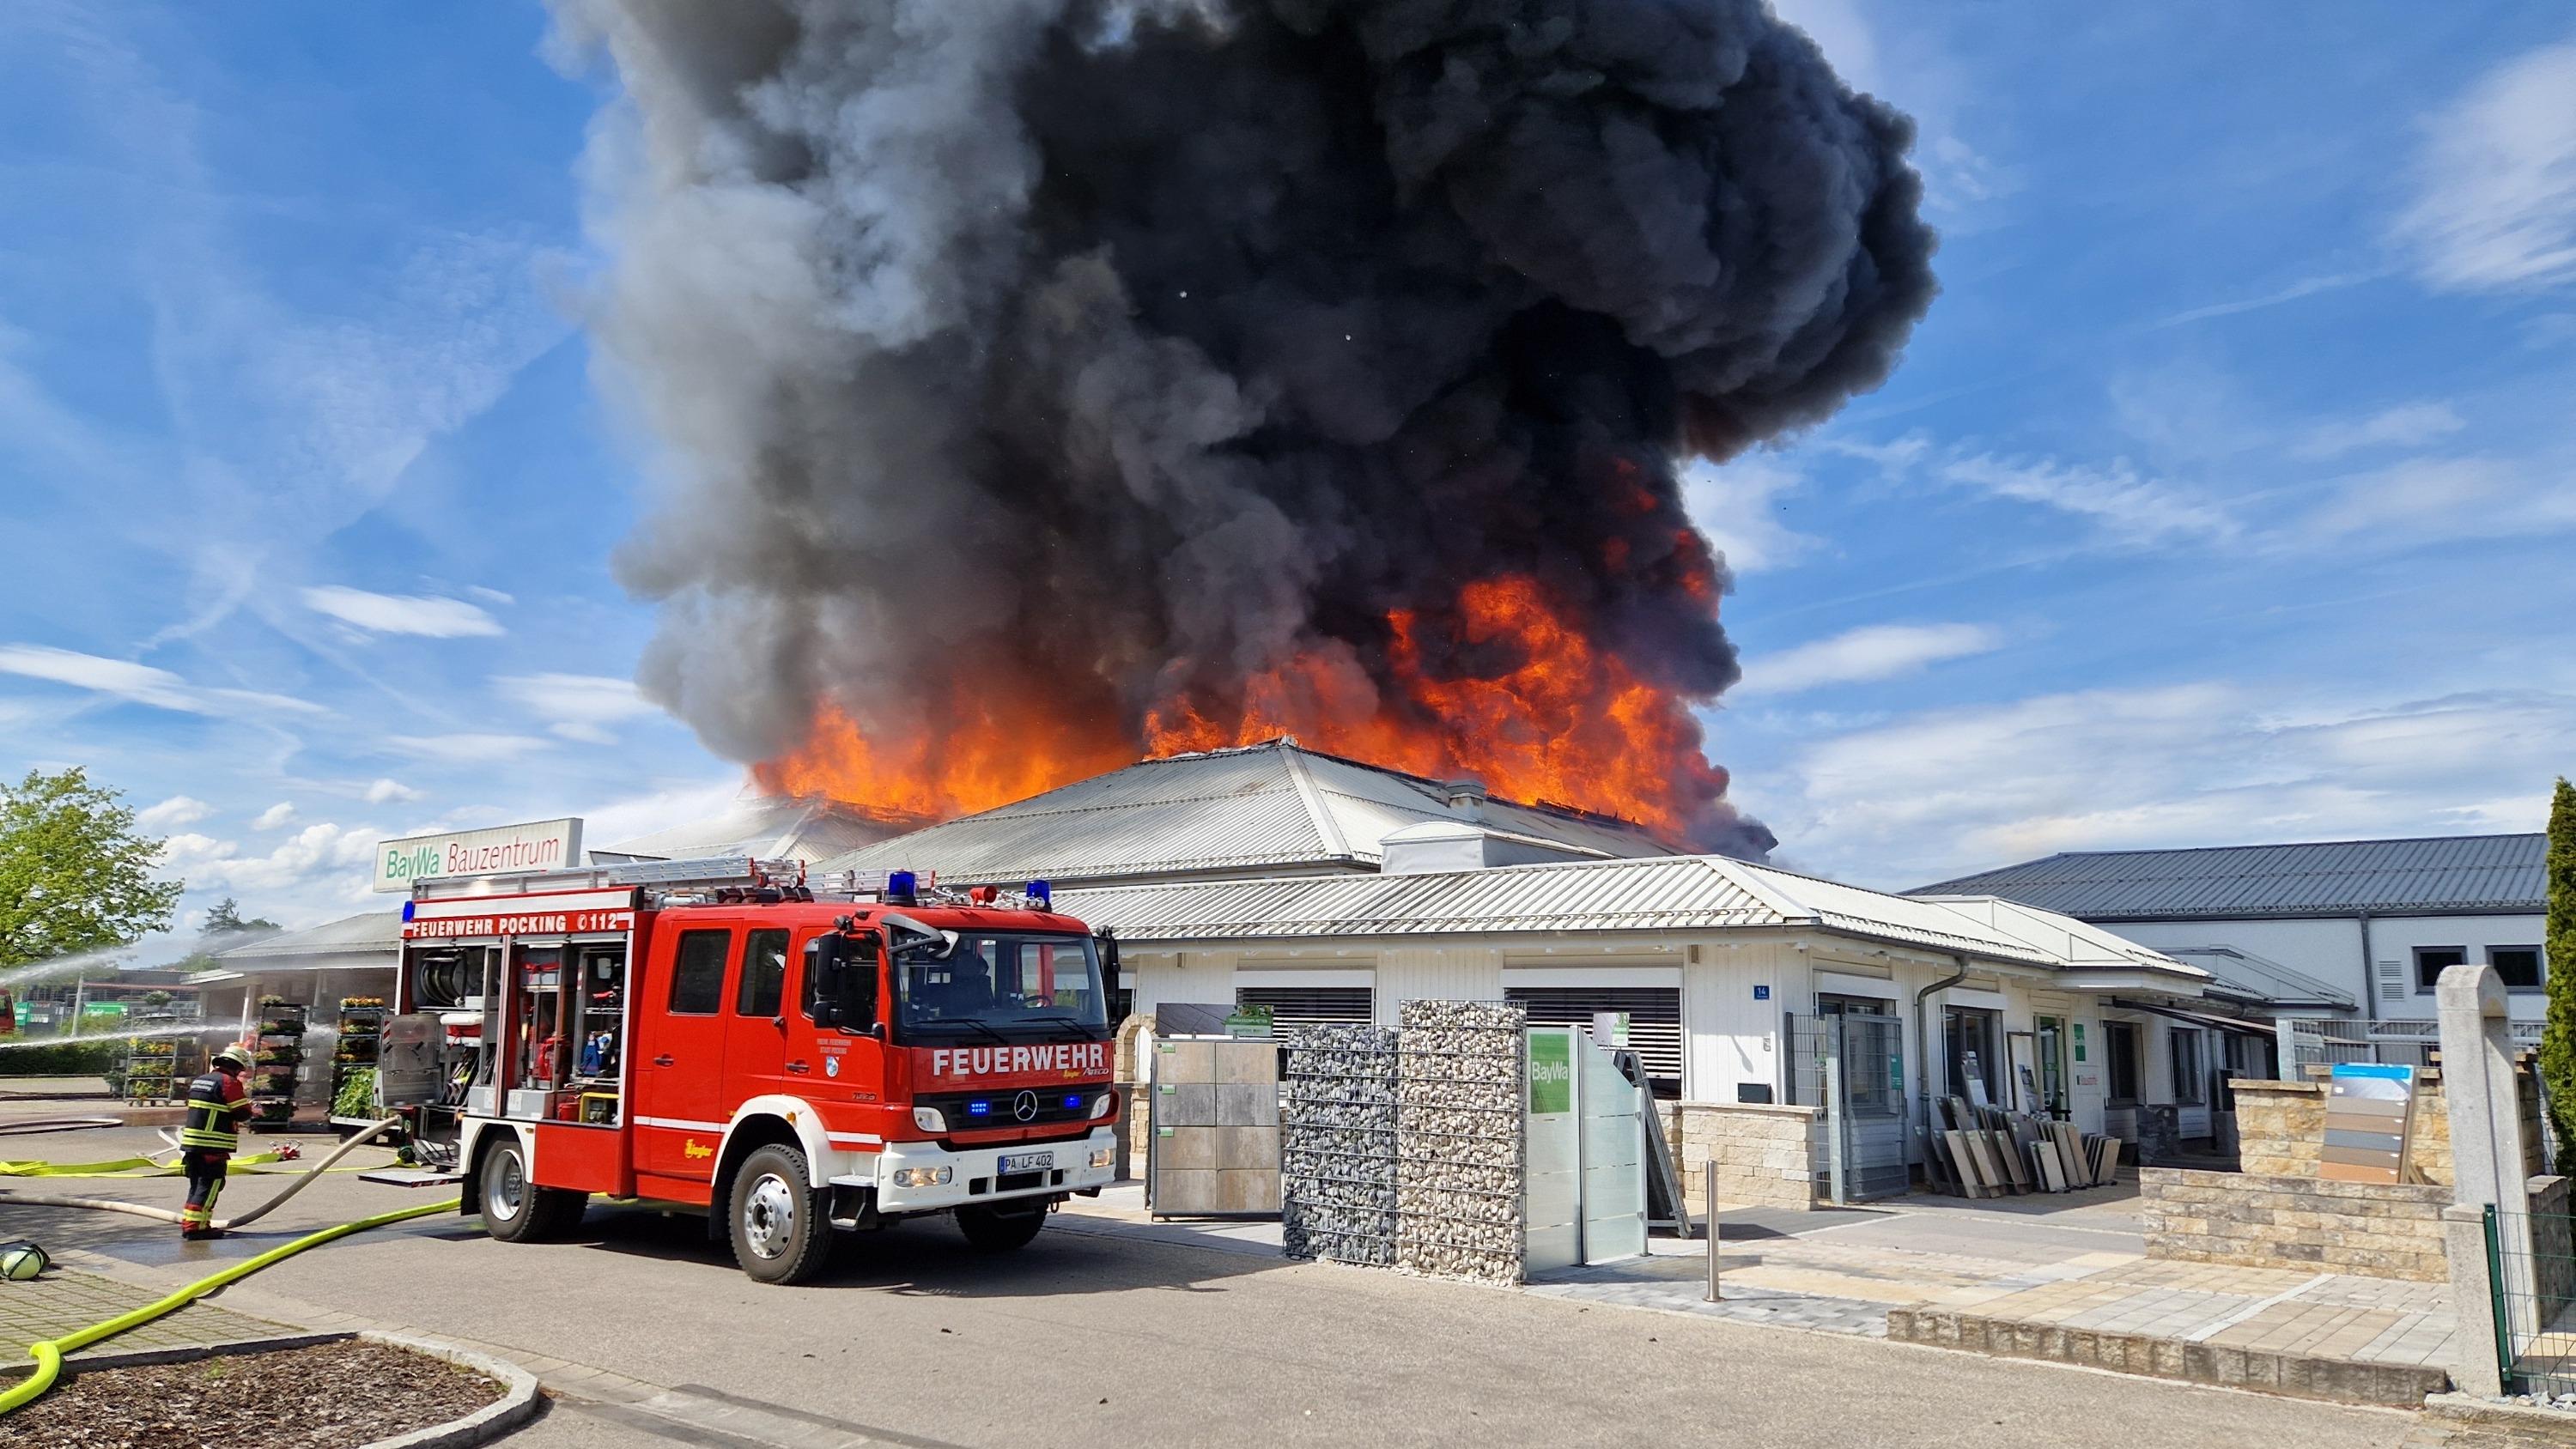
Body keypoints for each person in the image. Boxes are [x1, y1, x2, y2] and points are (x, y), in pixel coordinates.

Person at [178, 1046, 253, 1240]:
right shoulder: (228, 1082)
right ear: (237, 1067)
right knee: (209, 1187)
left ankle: (193, 1224)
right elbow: (242, 1113)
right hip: (213, 1146)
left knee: (197, 1186)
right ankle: (196, 1229)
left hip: (192, 1145)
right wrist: (253, 1108)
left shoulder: (200, 1080)